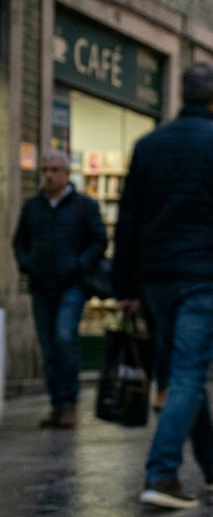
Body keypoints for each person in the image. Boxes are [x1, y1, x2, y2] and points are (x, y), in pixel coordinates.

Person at [113, 63, 213, 510]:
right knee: (188, 373)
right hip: (205, 276)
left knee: (184, 371)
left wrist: (124, 284)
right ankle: (162, 474)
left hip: (156, 279)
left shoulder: (149, 145)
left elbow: (128, 218)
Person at [12, 149, 107, 429]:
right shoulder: (33, 207)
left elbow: (99, 240)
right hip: (42, 286)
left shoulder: (83, 206)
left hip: (71, 285)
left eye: (54, 170)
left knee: (65, 338)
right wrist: (27, 264)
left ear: (67, 174)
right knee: (49, 348)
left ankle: (70, 403)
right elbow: (20, 241)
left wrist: (80, 264)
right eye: (45, 170)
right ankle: (57, 404)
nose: (49, 176)